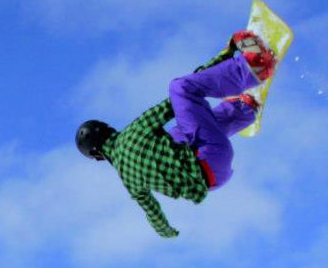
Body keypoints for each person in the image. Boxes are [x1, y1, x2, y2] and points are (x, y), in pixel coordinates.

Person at [75, 32, 277, 239]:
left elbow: (153, 212)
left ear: (98, 156)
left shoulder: (128, 180)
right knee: (180, 88)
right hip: (210, 152)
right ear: (108, 129)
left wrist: (168, 232)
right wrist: (225, 56)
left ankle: (245, 108)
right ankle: (253, 67)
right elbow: (178, 99)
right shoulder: (133, 132)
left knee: (177, 136)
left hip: (214, 180)